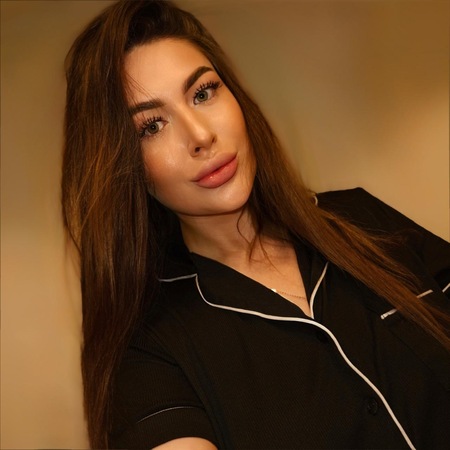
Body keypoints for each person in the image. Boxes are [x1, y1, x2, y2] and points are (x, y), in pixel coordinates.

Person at [62, 1, 450, 448]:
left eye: (203, 93)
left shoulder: (360, 217)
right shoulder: (148, 347)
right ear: (120, 166)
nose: (200, 135)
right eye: (151, 126)